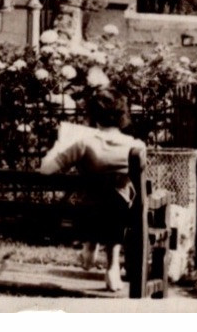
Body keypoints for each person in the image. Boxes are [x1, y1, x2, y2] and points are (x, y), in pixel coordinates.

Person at [38, 89, 144, 293]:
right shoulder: (136, 146)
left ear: (93, 115)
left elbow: (45, 170)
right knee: (118, 201)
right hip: (124, 217)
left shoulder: (84, 143)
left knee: (95, 201)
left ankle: (90, 243)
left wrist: (60, 144)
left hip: (88, 215)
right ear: (123, 116)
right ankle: (112, 267)